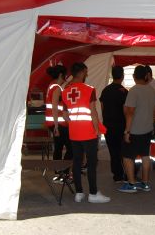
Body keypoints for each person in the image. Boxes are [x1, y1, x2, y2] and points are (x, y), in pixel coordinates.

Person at [60, 62, 110, 203]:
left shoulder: (65, 91)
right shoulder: (89, 89)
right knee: (92, 163)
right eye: (86, 72)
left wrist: (73, 124)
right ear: (81, 72)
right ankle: (93, 194)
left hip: (74, 132)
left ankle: (79, 193)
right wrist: (97, 130)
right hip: (88, 132)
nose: (87, 74)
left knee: (77, 162)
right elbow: (93, 112)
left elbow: (65, 115)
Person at [118, 65, 155, 193]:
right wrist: (152, 125)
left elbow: (130, 112)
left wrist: (127, 131)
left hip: (135, 130)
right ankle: (145, 184)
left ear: (134, 76)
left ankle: (131, 184)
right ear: (146, 76)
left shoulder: (134, 91)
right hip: (147, 128)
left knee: (127, 157)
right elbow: (154, 110)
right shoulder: (152, 90)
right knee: (145, 155)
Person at [100, 66, 128, 182]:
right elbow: (126, 110)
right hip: (121, 125)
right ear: (122, 76)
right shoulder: (124, 92)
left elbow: (102, 107)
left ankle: (117, 175)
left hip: (108, 125)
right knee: (124, 151)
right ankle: (127, 174)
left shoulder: (105, 90)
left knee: (113, 151)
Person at [45, 64, 72, 160]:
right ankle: (64, 167)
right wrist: (56, 126)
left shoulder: (51, 85)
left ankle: (58, 167)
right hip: (58, 123)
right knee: (71, 147)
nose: (66, 76)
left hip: (53, 123)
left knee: (58, 147)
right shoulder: (57, 88)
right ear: (61, 75)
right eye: (65, 74)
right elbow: (55, 107)